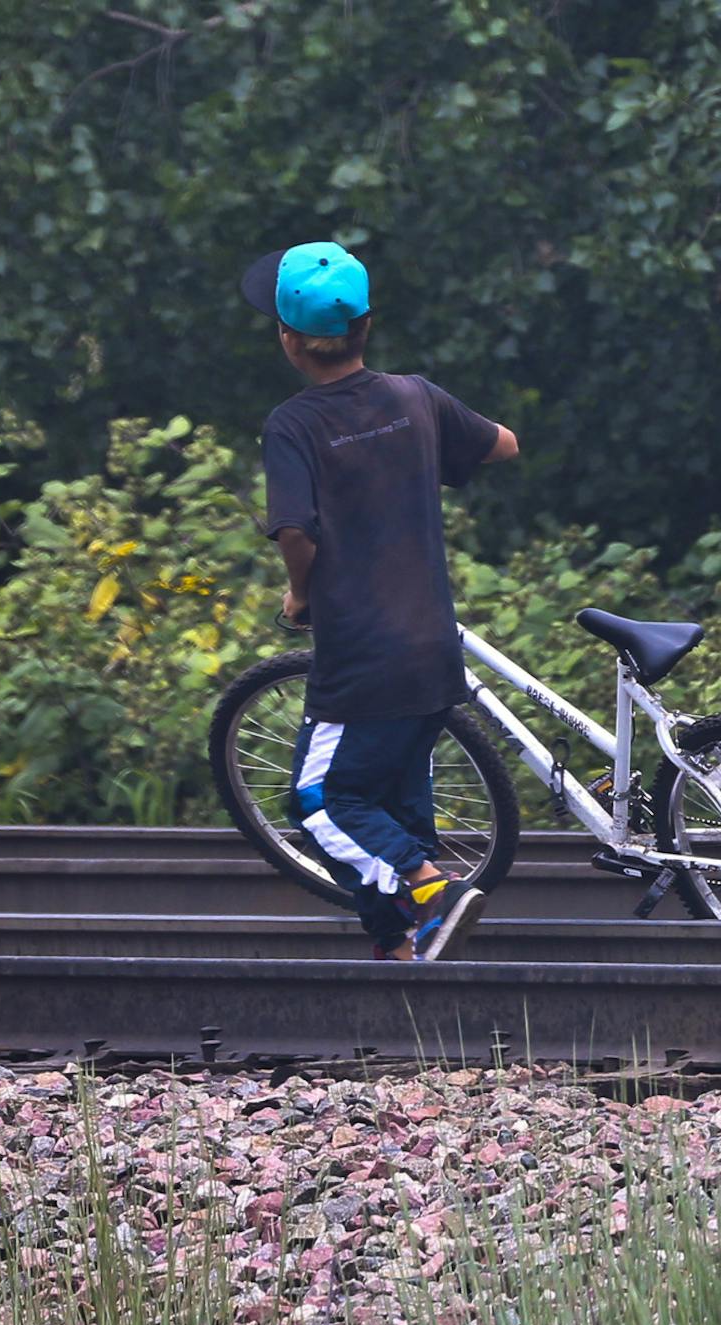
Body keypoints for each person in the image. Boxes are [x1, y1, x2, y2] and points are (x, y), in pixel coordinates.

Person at [239, 240, 521, 958]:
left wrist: (301, 595)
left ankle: (432, 889)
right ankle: (403, 942)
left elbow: (294, 529)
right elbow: (504, 445)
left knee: (322, 803)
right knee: (393, 801)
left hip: (361, 658)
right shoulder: (415, 397)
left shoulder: (294, 424)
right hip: (432, 644)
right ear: (365, 325)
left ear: (289, 341)